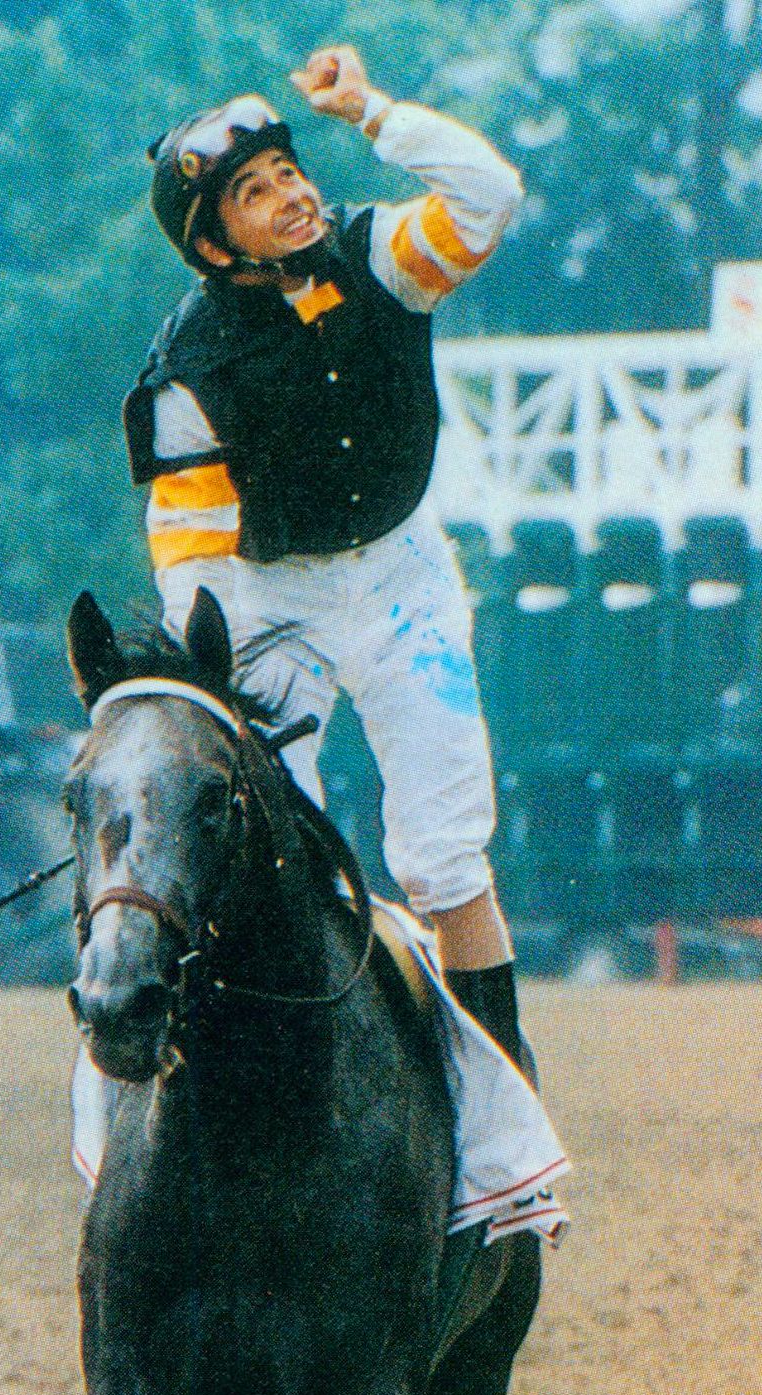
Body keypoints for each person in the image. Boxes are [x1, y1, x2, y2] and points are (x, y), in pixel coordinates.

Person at [125, 45, 532, 1066]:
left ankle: (500, 1110)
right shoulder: (187, 366)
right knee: (277, 856)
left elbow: (489, 193)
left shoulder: (377, 253)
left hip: (401, 573)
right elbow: (189, 558)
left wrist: (371, 113)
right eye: (254, 194)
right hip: (270, 598)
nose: (290, 197)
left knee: (445, 860)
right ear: (215, 247)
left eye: (287, 174)